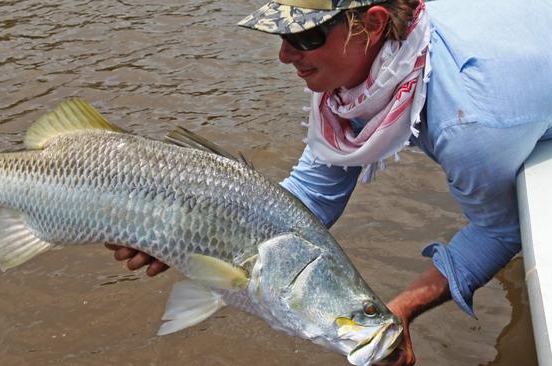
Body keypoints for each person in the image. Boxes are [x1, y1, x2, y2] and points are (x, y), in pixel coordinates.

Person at [106, 0, 552, 364]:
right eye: (282, 36)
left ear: (374, 24)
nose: (285, 55)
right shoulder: (370, 73)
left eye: (305, 37)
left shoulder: (466, 124)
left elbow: (500, 230)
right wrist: (184, 234)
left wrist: (401, 309)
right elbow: (314, 192)